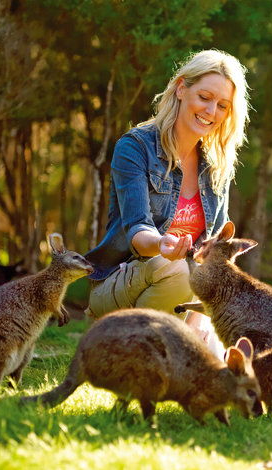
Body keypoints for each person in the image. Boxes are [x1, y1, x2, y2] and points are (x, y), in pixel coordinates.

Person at [84, 49, 249, 356]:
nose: (211, 111)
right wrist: (162, 244)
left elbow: (217, 251)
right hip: (121, 282)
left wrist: (199, 314)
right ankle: (130, 355)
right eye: (205, 97)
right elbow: (137, 230)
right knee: (176, 269)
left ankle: (164, 349)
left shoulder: (217, 165)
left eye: (222, 105)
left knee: (224, 369)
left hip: (186, 292)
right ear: (182, 88)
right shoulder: (135, 148)